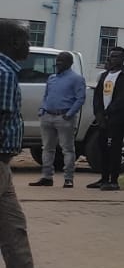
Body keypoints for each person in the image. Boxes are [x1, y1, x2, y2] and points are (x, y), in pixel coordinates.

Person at [0, 20, 67, 268]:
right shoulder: (3, 74)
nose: (28, 46)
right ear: (13, 42)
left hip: (4, 167)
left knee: (14, 229)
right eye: (26, 40)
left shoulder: (8, 72)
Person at [30, 52, 84, 188]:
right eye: (57, 60)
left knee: (67, 149)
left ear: (69, 63)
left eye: (62, 61)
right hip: (47, 116)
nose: (58, 63)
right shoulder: (52, 78)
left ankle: (68, 178)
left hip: (64, 117)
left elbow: (80, 98)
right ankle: (46, 177)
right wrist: (42, 109)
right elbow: (46, 95)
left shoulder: (76, 79)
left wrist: (70, 114)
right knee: (47, 148)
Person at [88, 46, 124, 191]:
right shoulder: (104, 75)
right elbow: (97, 96)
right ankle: (104, 178)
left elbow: (123, 99)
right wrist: (99, 114)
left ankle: (113, 180)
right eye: (111, 56)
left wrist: (109, 112)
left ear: (123, 59)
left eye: (116, 56)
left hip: (117, 118)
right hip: (103, 119)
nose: (113, 59)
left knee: (115, 149)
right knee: (102, 148)